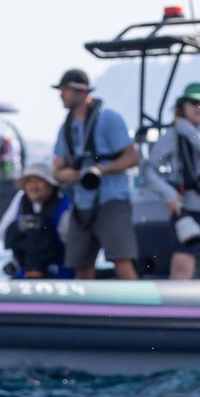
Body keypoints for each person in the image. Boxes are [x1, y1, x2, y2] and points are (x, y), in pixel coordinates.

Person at [140, 82, 200, 281]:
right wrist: (168, 195)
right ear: (182, 106)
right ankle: (174, 311)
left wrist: (188, 131)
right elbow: (149, 169)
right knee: (181, 268)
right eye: (194, 102)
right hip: (187, 210)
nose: (199, 107)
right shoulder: (171, 136)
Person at [49, 69, 141, 280]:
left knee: (122, 262)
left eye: (65, 91)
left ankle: (138, 311)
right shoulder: (66, 127)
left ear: (81, 92)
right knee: (81, 266)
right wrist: (69, 175)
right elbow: (57, 169)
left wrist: (102, 170)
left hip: (112, 200)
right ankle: (87, 312)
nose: (61, 96)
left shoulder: (109, 118)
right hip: (81, 204)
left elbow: (132, 158)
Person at [0, 163, 69, 279]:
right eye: (29, 182)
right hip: (24, 269)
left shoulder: (64, 203)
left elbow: (71, 242)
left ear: (50, 184)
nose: (34, 187)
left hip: (59, 269)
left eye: (39, 181)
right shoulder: (21, 200)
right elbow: (4, 232)